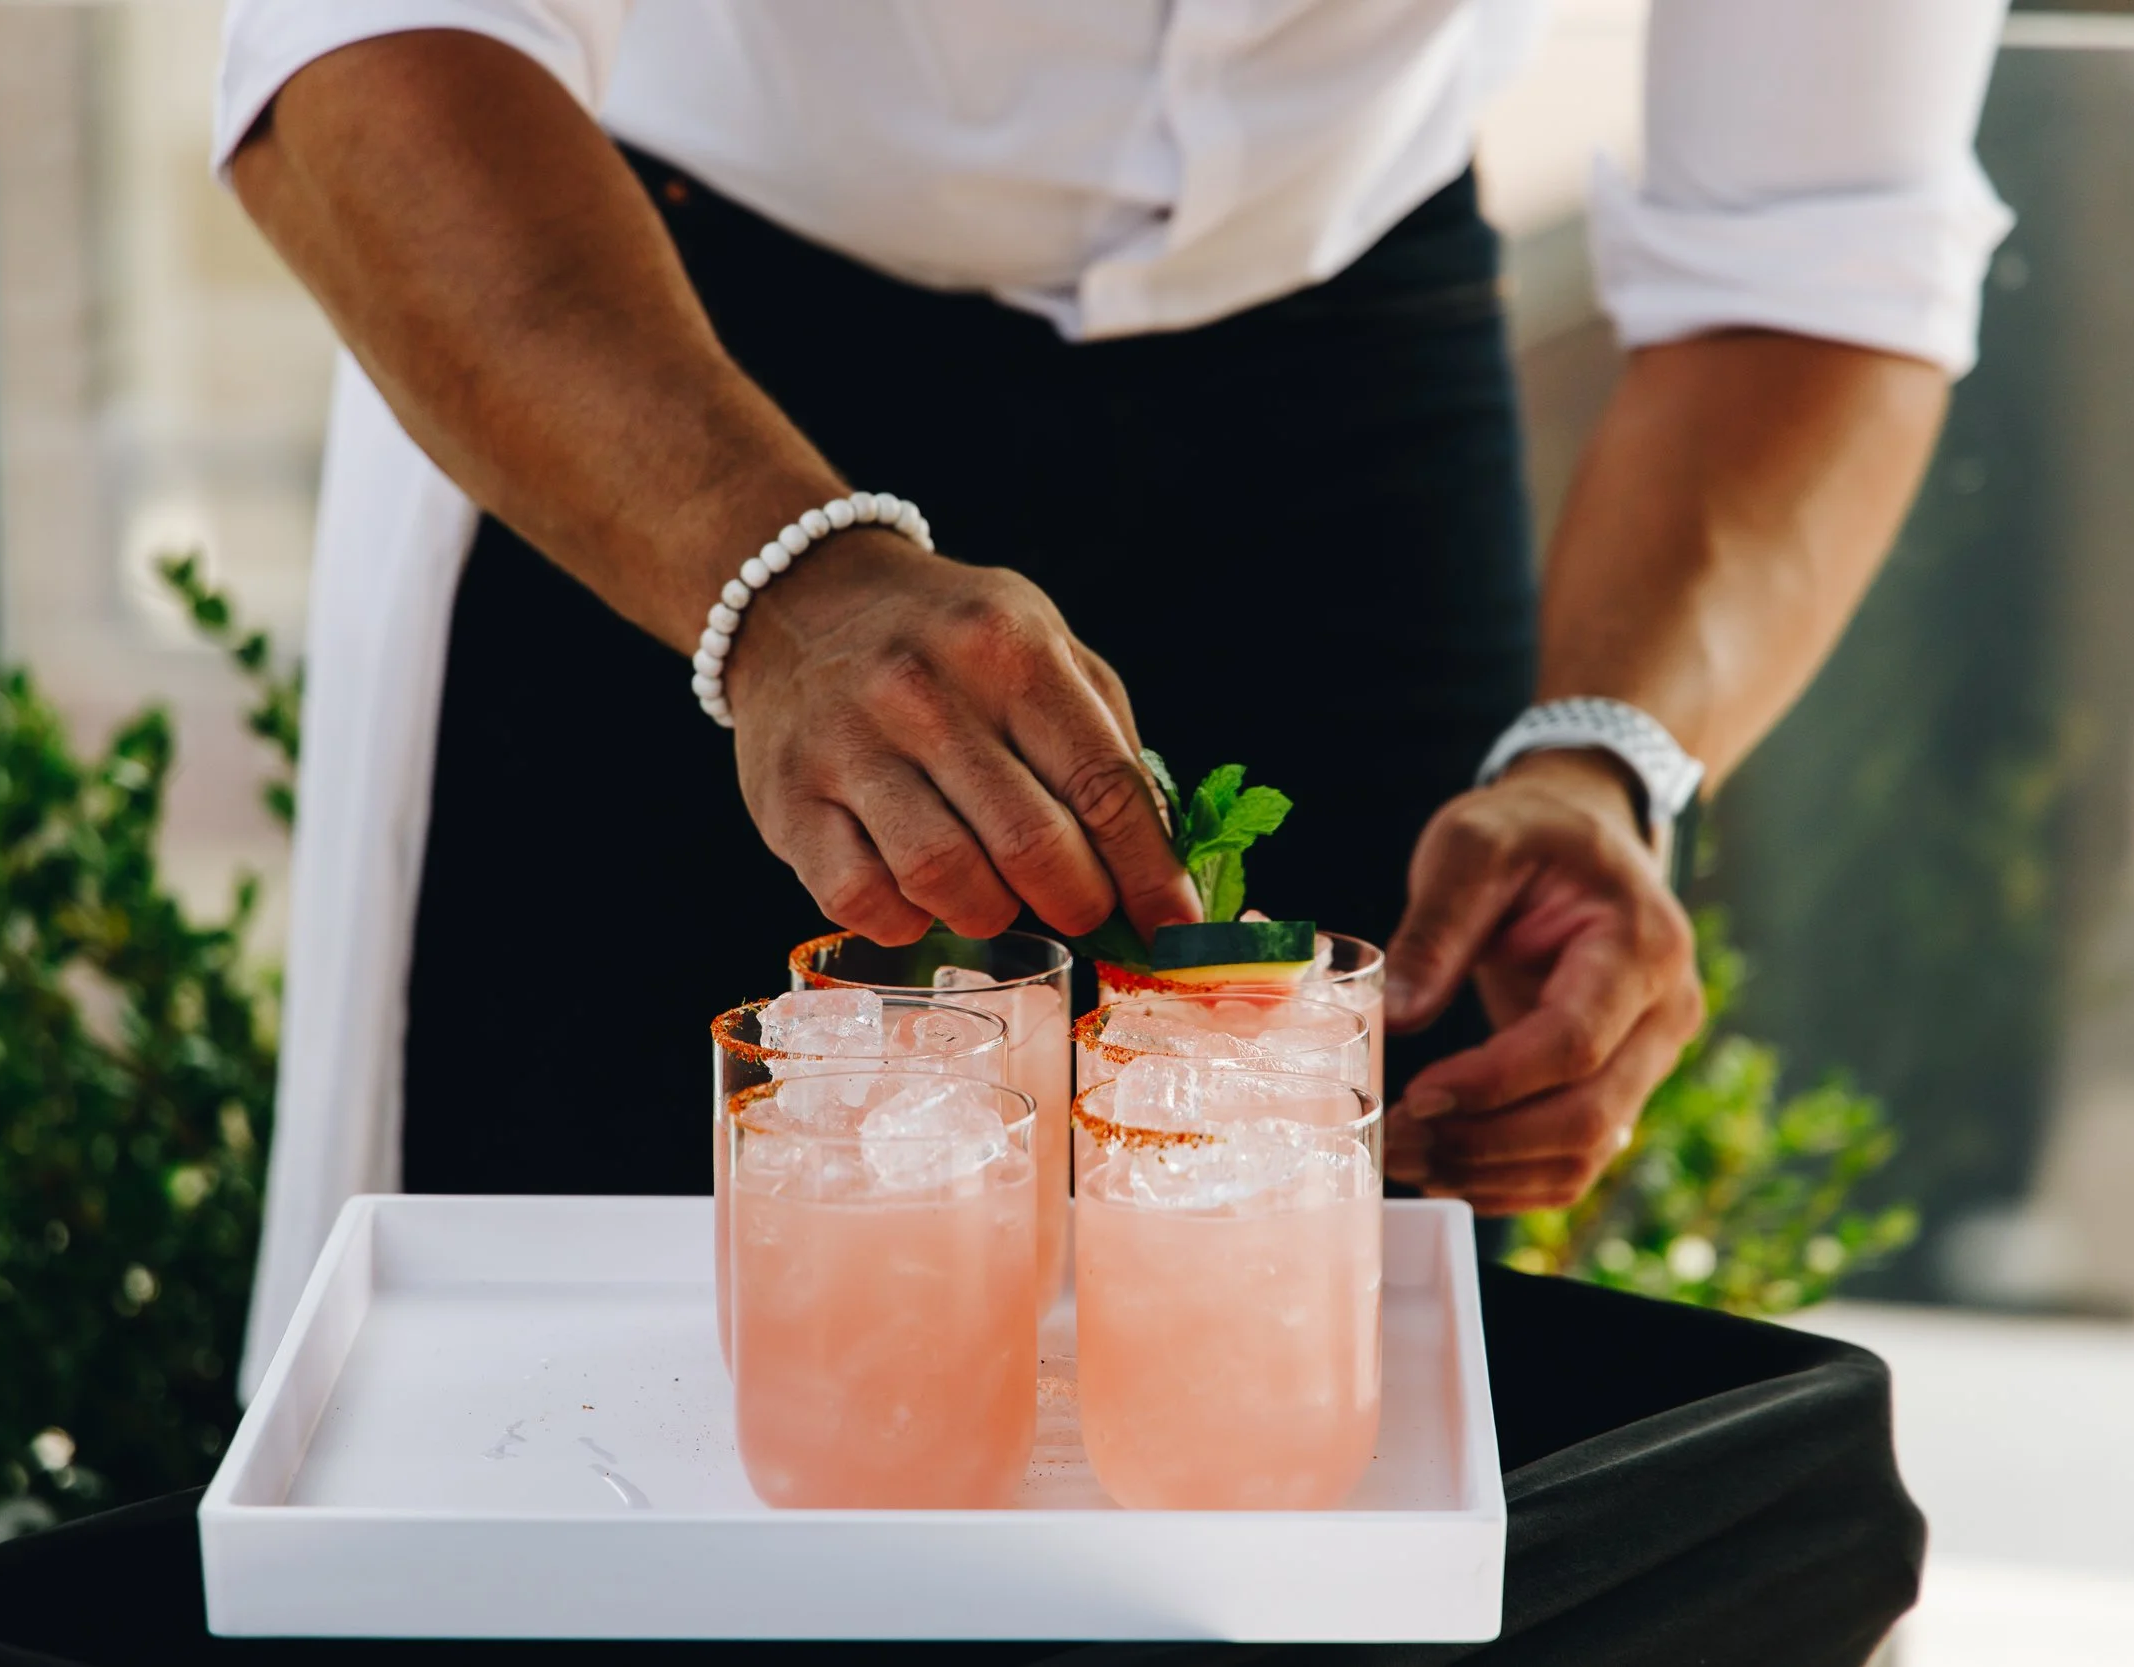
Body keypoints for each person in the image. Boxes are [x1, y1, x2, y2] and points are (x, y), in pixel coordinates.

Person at [219, 0, 2004, 1423]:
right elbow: (358, 44)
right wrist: (780, 580)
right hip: (660, 354)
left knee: (1326, 1432)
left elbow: (1816, 230)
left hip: (1351, 382)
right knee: (599, 1437)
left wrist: (1601, 763)